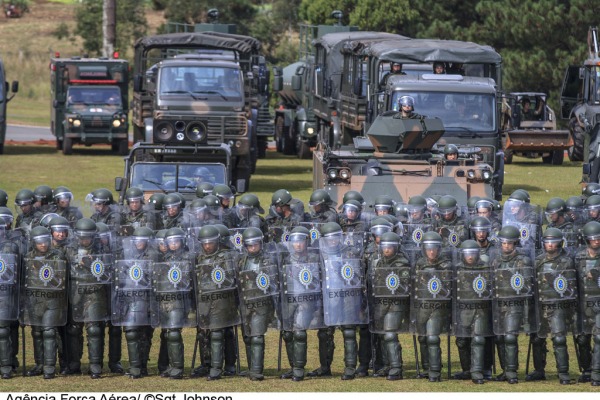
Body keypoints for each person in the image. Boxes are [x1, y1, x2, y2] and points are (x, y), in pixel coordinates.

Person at [528, 228, 576, 385]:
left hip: (557, 305)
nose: (550, 245)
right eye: (547, 242)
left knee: (559, 338)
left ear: (560, 243)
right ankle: (538, 370)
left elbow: (568, 285)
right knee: (536, 339)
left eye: (553, 242)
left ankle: (563, 372)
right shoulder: (538, 261)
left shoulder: (566, 261)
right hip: (540, 304)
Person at [193, 225, 239, 380]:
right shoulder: (199, 257)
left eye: (210, 242)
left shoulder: (226, 257)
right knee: (203, 333)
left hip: (222, 301)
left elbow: (229, 279)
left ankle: (218, 366)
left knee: (219, 333)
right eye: (204, 243)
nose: (207, 246)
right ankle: (206, 363)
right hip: (204, 300)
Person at [21, 226, 68, 379]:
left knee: (49, 332)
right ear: (34, 242)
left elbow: (60, 282)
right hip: (34, 301)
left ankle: (49, 367)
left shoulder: (57, 256)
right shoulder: (27, 257)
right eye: (39, 242)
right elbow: (24, 281)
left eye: (45, 241)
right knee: (36, 333)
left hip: (52, 300)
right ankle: (39, 364)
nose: (43, 245)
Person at [491, 225, 535, 384]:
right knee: (500, 338)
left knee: (510, 337)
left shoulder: (523, 261)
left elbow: (527, 286)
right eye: (503, 242)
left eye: (509, 243)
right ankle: (505, 369)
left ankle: (511, 372)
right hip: (499, 304)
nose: (506, 245)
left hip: (515, 305)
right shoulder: (496, 260)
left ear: (515, 243)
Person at [279, 226, 323, 381]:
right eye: (295, 241)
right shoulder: (286, 259)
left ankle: (299, 368)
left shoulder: (315, 258)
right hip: (290, 300)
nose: (298, 244)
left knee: (299, 332)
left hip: (308, 301)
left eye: (301, 241)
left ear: (307, 242)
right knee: (287, 333)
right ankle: (293, 366)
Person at [237, 227, 280, 381]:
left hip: (262, 302)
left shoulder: (267, 260)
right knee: (248, 337)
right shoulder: (241, 261)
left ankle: (256, 370)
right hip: (245, 302)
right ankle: (250, 367)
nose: (253, 247)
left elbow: (274, 283)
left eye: (255, 244)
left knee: (257, 337)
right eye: (250, 245)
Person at [367, 231, 409, 380]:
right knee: (383, 335)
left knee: (390, 334)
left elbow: (403, 287)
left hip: (395, 304)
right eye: (384, 246)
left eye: (390, 247)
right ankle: (388, 364)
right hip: (381, 303)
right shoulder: (378, 262)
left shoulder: (402, 263)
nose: (386, 250)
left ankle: (396, 367)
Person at [413, 231, 452, 382]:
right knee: (422, 338)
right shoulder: (419, 264)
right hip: (422, 306)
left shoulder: (445, 265)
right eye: (428, 248)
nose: (431, 251)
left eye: (434, 248)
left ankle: (435, 370)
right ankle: (426, 367)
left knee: (433, 338)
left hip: (437, 306)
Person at [453, 240, 493, 384]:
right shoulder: (456, 269)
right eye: (467, 253)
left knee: (478, 339)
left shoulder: (486, 268)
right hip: (463, 309)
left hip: (480, 309)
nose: (470, 256)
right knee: (462, 341)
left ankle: (477, 371)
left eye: (473, 253)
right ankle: (466, 370)